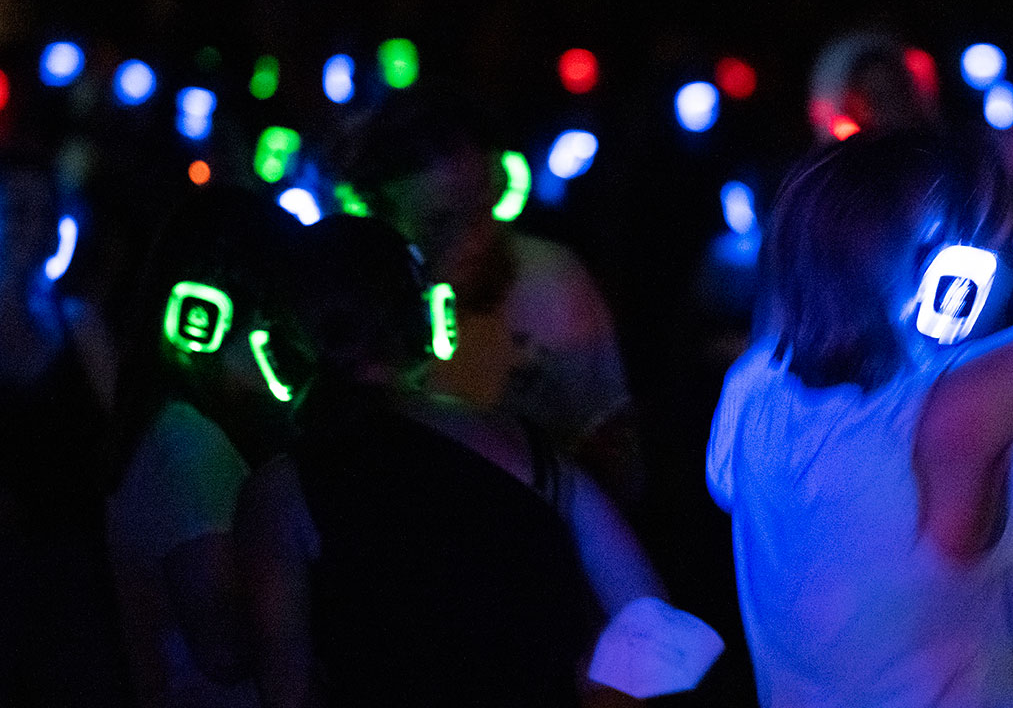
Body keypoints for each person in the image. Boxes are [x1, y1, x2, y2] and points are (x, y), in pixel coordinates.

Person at [705, 106, 1013, 706]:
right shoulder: (952, 410)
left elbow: (910, 541)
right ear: (953, 271)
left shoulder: (752, 388)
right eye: (1001, 242)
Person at [236, 215, 721, 707]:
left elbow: (288, 694)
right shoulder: (524, 449)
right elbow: (662, 634)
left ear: (276, 351)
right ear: (426, 316)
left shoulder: (280, 496)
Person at [337, 87, 645, 508]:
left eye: (484, 207)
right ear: (378, 220)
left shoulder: (550, 279)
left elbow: (621, 465)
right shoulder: (359, 320)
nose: (477, 242)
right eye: (441, 224)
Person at [105, 186, 309, 707]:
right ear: (204, 317)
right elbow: (225, 649)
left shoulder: (184, 432)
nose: (299, 344)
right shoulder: (188, 445)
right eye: (279, 318)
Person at [0, 148, 129, 705]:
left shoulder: (80, 328)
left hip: (77, 575)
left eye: (40, 212)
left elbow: (127, 441)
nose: (26, 226)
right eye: (13, 209)